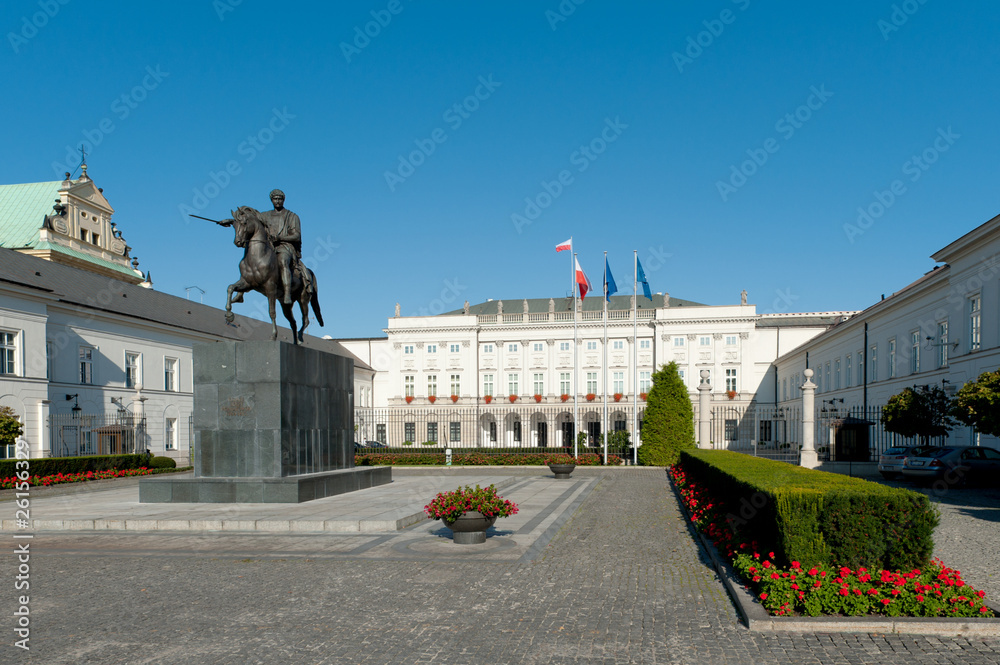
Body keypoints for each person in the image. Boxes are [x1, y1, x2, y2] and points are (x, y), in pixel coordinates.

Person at [261, 189, 309, 305]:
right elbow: (249, 220)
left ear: (283, 200)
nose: (277, 201)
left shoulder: (292, 216)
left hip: (285, 246)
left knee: (282, 260)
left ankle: (287, 293)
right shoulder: (264, 215)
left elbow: (296, 236)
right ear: (271, 200)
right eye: (275, 199)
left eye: (280, 199)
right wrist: (232, 222)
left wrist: (280, 238)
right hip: (269, 247)